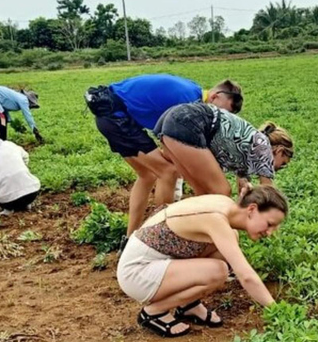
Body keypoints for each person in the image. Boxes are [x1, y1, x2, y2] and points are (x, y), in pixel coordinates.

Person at [117, 185, 288, 337]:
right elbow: (246, 276)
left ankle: (187, 305)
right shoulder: (216, 219)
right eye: (269, 224)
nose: (270, 233)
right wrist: (277, 312)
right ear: (251, 209)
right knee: (218, 272)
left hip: (156, 260)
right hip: (136, 272)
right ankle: (154, 312)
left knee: (228, 241)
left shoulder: (225, 205)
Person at [91, 74, 243, 233]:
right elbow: (172, 144)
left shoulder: (193, 91)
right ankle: (161, 233)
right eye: (219, 110)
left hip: (112, 115)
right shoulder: (188, 102)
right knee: (168, 172)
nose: (217, 116)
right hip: (116, 117)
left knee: (147, 175)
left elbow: (172, 145)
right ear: (214, 96)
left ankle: (130, 238)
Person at [154, 102, 294, 200]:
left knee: (202, 192)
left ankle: (178, 232)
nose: (277, 169)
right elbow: (267, 190)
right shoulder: (262, 144)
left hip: (173, 120)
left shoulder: (248, 150)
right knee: (222, 190)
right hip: (187, 122)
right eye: (282, 164)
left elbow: (243, 188)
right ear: (279, 150)